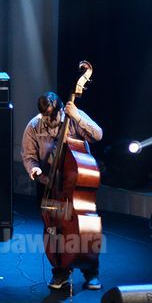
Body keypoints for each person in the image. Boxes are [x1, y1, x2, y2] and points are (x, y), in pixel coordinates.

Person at [21, 91, 103, 290]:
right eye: (45, 116)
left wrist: (77, 116)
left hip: (74, 185)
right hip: (50, 185)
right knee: (55, 228)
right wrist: (34, 169)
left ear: (59, 109)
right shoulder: (34, 125)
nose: (49, 121)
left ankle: (90, 271)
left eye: (52, 116)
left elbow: (97, 135)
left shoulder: (73, 116)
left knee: (84, 230)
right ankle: (60, 271)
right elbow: (28, 155)